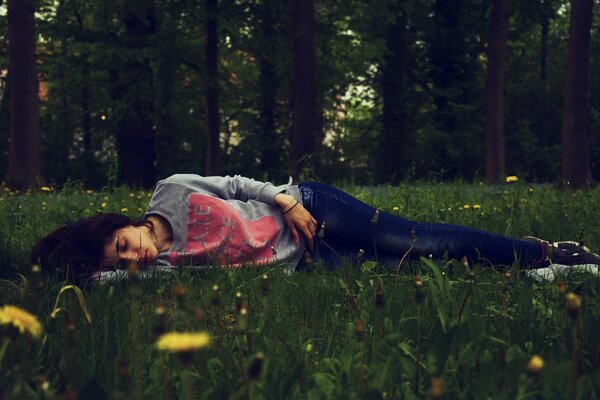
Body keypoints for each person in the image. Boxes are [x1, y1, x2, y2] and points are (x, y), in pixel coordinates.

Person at [32, 174, 600, 282]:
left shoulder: (172, 191)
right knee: (415, 269)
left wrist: (286, 200)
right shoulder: (156, 270)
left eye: (125, 245)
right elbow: (103, 280)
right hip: (308, 261)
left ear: (125, 223)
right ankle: (539, 272)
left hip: (309, 209)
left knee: (421, 239)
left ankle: (550, 253)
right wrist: (80, 266)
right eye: (122, 261)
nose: (136, 256)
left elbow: (235, 184)